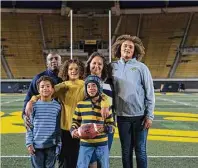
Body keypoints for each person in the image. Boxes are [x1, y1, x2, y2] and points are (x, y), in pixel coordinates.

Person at [25, 59, 110, 168]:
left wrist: (105, 105)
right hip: (64, 130)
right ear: (66, 71)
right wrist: (31, 100)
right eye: (70, 69)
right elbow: (45, 92)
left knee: (79, 161)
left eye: (76, 69)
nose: (73, 71)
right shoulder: (63, 86)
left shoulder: (85, 85)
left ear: (81, 70)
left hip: (81, 130)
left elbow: (102, 96)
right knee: (63, 161)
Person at [110, 35, 155, 168]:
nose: (128, 48)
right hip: (122, 117)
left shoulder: (142, 68)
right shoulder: (112, 67)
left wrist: (149, 116)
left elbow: (150, 93)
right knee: (125, 151)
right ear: (119, 48)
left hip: (140, 117)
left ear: (135, 51)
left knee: (140, 151)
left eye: (131, 47)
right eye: (125, 46)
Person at [70, 75, 115, 168]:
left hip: (102, 143)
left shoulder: (106, 107)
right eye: (88, 86)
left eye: (94, 85)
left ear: (99, 87)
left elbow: (112, 125)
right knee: (81, 166)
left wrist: (105, 128)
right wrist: (73, 131)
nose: (91, 88)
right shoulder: (80, 105)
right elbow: (75, 122)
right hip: (85, 143)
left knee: (104, 166)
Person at [85, 52, 115, 168]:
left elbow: (113, 104)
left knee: (103, 158)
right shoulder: (84, 82)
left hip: (107, 124)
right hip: (89, 124)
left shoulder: (109, 82)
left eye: (100, 64)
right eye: (94, 63)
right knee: (91, 160)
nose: (96, 66)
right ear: (89, 64)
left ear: (103, 66)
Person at [26, 76, 61, 168]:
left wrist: (58, 144)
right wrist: (29, 143)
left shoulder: (57, 106)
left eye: (48, 86)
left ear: (53, 89)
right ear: (38, 90)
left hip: (52, 146)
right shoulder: (33, 106)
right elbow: (29, 126)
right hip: (36, 146)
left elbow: (58, 127)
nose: (45, 88)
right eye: (42, 86)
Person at [23, 52, 62, 128]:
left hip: (62, 121)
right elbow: (28, 97)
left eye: (56, 59)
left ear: (61, 62)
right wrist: (25, 115)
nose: (54, 61)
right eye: (51, 59)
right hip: (43, 121)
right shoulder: (38, 78)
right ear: (47, 63)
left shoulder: (66, 78)